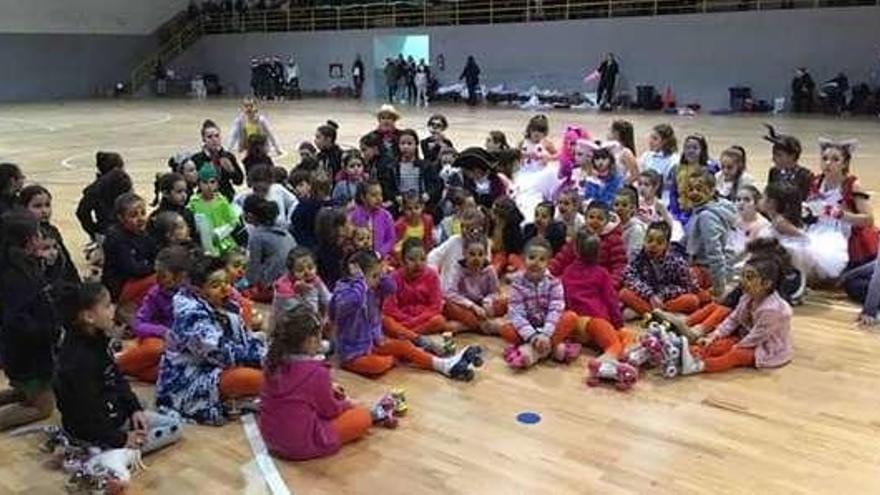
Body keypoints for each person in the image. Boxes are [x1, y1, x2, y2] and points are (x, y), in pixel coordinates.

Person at [55, 282, 182, 454]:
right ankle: (106, 454)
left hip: (112, 417)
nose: (113, 309)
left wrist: (134, 409)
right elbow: (86, 411)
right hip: (96, 432)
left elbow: (115, 376)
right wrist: (120, 439)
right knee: (174, 428)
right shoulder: (78, 360)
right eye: (107, 306)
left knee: (151, 412)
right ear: (89, 317)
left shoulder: (97, 339)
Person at [330, 250, 482, 379]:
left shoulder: (371, 287)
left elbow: (391, 288)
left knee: (404, 346)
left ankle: (443, 365)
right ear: (358, 278)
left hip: (373, 343)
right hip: (353, 354)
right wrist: (361, 281)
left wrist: (381, 274)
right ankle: (415, 356)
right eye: (374, 276)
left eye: (378, 276)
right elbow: (355, 302)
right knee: (381, 365)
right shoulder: (344, 292)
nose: (377, 281)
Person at [258, 306, 381, 461]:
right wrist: (348, 404)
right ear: (311, 341)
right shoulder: (317, 372)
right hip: (299, 445)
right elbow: (330, 411)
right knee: (362, 416)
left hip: (271, 439)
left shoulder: (271, 362)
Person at [156, 254, 266, 425]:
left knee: (275, 369)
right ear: (197, 290)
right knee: (260, 379)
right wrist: (265, 358)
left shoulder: (228, 304)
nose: (226, 289)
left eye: (227, 283)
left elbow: (246, 340)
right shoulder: (190, 314)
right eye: (215, 285)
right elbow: (220, 351)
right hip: (190, 380)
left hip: (220, 367)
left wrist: (272, 355)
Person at [0, 211, 59, 430]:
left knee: (26, 390)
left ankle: (24, 392)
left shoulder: (20, 264)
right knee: (43, 407)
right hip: (27, 352)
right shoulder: (16, 276)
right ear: (29, 240)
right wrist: (45, 332)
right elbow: (17, 319)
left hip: (26, 350)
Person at [689, 255, 793, 374]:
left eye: (749, 277)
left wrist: (737, 346)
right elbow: (733, 319)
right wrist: (715, 335)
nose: (742, 280)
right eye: (742, 275)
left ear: (766, 284)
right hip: (746, 337)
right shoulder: (747, 297)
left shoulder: (771, 309)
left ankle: (699, 366)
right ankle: (691, 352)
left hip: (767, 348)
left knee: (735, 355)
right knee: (721, 343)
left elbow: (757, 336)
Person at [117, 246, 191, 383]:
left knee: (178, 374)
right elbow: (138, 324)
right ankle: (115, 365)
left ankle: (130, 368)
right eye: (157, 274)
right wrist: (163, 331)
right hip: (159, 341)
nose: (158, 279)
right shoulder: (156, 293)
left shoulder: (195, 292)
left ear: (181, 276)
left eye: (163, 275)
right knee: (156, 349)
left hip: (184, 348)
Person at [804, 138, 876, 279]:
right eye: (824, 159)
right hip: (817, 230)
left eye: (835, 159)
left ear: (845, 164)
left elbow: (869, 220)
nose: (828, 163)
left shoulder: (852, 184)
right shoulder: (816, 181)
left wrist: (841, 214)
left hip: (842, 237)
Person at [502, 238, 579, 369]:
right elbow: (517, 314)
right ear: (523, 259)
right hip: (528, 328)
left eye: (542, 260)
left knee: (571, 317)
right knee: (506, 329)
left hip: (550, 327)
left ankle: (534, 352)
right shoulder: (517, 285)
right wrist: (532, 336)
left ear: (548, 263)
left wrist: (546, 334)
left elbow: (555, 310)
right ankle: (550, 348)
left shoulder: (554, 283)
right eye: (532, 257)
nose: (536, 263)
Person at [559, 231, 632, 360]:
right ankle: (607, 361)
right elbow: (612, 301)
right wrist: (619, 324)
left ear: (576, 251)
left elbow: (564, 299)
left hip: (575, 328)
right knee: (619, 340)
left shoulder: (567, 271)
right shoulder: (602, 274)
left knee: (617, 336)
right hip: (596, 323)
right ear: (599, 253)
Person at [620, 221, 702, 317]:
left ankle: (652, 314)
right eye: (649, 240)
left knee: (693, 301)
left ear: (666, 246)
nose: (653, 245)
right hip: (646, 297)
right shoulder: (638, 257)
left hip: (668, 300)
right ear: (644, 241)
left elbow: (687, 287)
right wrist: (649, 294)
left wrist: (663, 294)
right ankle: (660, 315)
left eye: (659, 242)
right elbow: (629, 276)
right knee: (624, 293)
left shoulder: (676, 261)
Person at [382, 238, 450, 349]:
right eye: (412, 259)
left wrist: (414, 322)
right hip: (402, 320)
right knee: (386, 321)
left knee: (439, 321)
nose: (418, 264)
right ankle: (415, 337)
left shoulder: (432, 275)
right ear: (402, 261)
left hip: (421, 320)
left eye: (422, 259)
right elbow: (390, 309)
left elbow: (435, 307)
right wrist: (407, 320)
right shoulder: (394, 278)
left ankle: (409, 336)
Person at [550, 201, 627, 289]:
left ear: (607, 221)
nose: (595, 221)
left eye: (600, 218)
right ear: (585, 219)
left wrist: (611, 286)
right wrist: (547, 274)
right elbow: (562, 258)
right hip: (576, 279)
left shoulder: (614, 239)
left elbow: (620, 266)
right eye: (591, 217)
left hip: (601, 284)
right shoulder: (579, 236)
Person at [443, 235, 508, 335]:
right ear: (464, 254)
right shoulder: (457, 269)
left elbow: (495, 292)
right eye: (472, 254)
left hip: (483, 306)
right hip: (465, 306)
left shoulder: (490, 270)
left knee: (506, 302)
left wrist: (487, 301)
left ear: (486, 254)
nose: (476, 258)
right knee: (446, 305)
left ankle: (465, 326)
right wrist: (472, 306)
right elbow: (450, 293)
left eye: (480, 254)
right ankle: (485, 325)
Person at [684, 172, 737, 296]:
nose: (694, 193)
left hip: (711, 272)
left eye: (699, 189)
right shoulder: (719, 205)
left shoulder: (706, 216)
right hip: (721, 269)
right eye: (690, 189)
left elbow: (715, 253)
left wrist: (719, 288)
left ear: (712, 190)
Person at [102, 193, 158, 307]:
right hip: (121, 286)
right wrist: (154, 266)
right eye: (133, 215)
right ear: (121, 218)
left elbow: (156, 255)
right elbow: (132, 269)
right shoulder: (116, 238)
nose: (140, 218)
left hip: (138, 279)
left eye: (143, 213)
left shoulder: (144, 234)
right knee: (162, 279)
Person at [19, 184, 81, 287]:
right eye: (37, 206)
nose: (44, 211)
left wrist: (77, 285)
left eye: (47, 205)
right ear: (24, 208)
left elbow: (67, 263)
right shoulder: (22, 236)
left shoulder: (52, 231)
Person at [242, 195, 296, 302]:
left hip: (273, 287)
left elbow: (253, 272)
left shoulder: (257, 236)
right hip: (292, 281)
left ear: (249, 215)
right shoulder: (283, 230)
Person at [189, 165, 241, 257]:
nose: (209, 186)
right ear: (199, 184)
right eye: (204, 182)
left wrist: (221, 232)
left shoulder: (222, 201)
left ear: (217, 184)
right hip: (203, 244)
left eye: (212, 182)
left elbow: (233, 221)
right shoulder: (193, 202)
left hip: (223, 242)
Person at [668, 134, 720, 225]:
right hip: (681, 211)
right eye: (687, 148)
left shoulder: (710, 169)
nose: (691, 151)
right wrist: (675, 214)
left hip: (701, 211)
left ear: (702, 151)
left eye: (695, 148)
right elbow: (673, 193)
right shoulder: (677, 169)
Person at [191, 119, 245, 202]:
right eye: (209, 137)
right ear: (203, 139)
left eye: (217, 136)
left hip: (226, 197)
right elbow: (192, 184)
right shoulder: (196, 159)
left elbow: (239, 181)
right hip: (204, 199)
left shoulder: (228, 156)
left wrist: (232, 171)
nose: (214, 139)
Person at [273, 247, 331, 320]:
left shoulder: (314, 279)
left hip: (309, 318)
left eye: (310, 268)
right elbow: (303, 314)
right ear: (291, 272)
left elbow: (327, 298)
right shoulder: (283, 287)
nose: (307, 273)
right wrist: (308, 291)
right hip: (288, 323)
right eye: (300, 270)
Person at [233, 164, 298, 230]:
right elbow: (234, 209)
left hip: (281, 231)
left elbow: (294, 202)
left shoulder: (278, 190)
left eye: (264, 190)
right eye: (256, 189)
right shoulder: (245, 197)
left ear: (270, 183)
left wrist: (290, 220)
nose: (260, 193)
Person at [763, 124, 813, 205]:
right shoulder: (774, 172)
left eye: (779, 155)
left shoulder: (805, 175)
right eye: (773, 155)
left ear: (792, 156)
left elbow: (804, 202)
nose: (773, 159)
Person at [349, 181, 395, 259]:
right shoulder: (354, 216)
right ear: (363, 197)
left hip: (381, 257)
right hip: (359, 257)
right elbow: (350, 237)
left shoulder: (386, 216)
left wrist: (380, 253)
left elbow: (391, 239)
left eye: (380, 194)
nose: (379, 198)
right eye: (374, 195)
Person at [150, 172, 198, 242]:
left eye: (185, 191)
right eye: (179, 192)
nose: (184, 195)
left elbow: (195, 238)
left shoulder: (188, 214)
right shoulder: (156, 218)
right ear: (165, 193)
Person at [638, 124, 679, 201]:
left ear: (665, 141)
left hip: (664, 198)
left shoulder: (674, 160)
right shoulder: (646, 155)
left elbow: (672, 185)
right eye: (651, 137)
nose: (650, 141)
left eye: (655, 139)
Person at [614, 186, 647, 262]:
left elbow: (633, 258)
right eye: (616, 204)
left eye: (624, 205)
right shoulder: (611, 225)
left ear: (632, 208)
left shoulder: (637, 229)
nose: (619, 208)